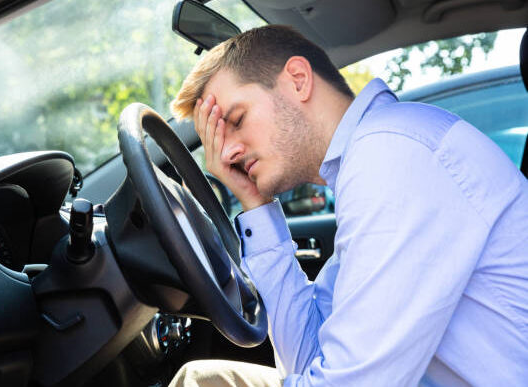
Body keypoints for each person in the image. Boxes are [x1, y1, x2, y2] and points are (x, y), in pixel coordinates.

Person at [168, 25, 528, 387]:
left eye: (236, 120)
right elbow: (305, 361)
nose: (226, 154)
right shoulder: (367, 163)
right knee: (203, 378)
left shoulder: (393, 157)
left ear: (297, 80)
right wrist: (254, 202)